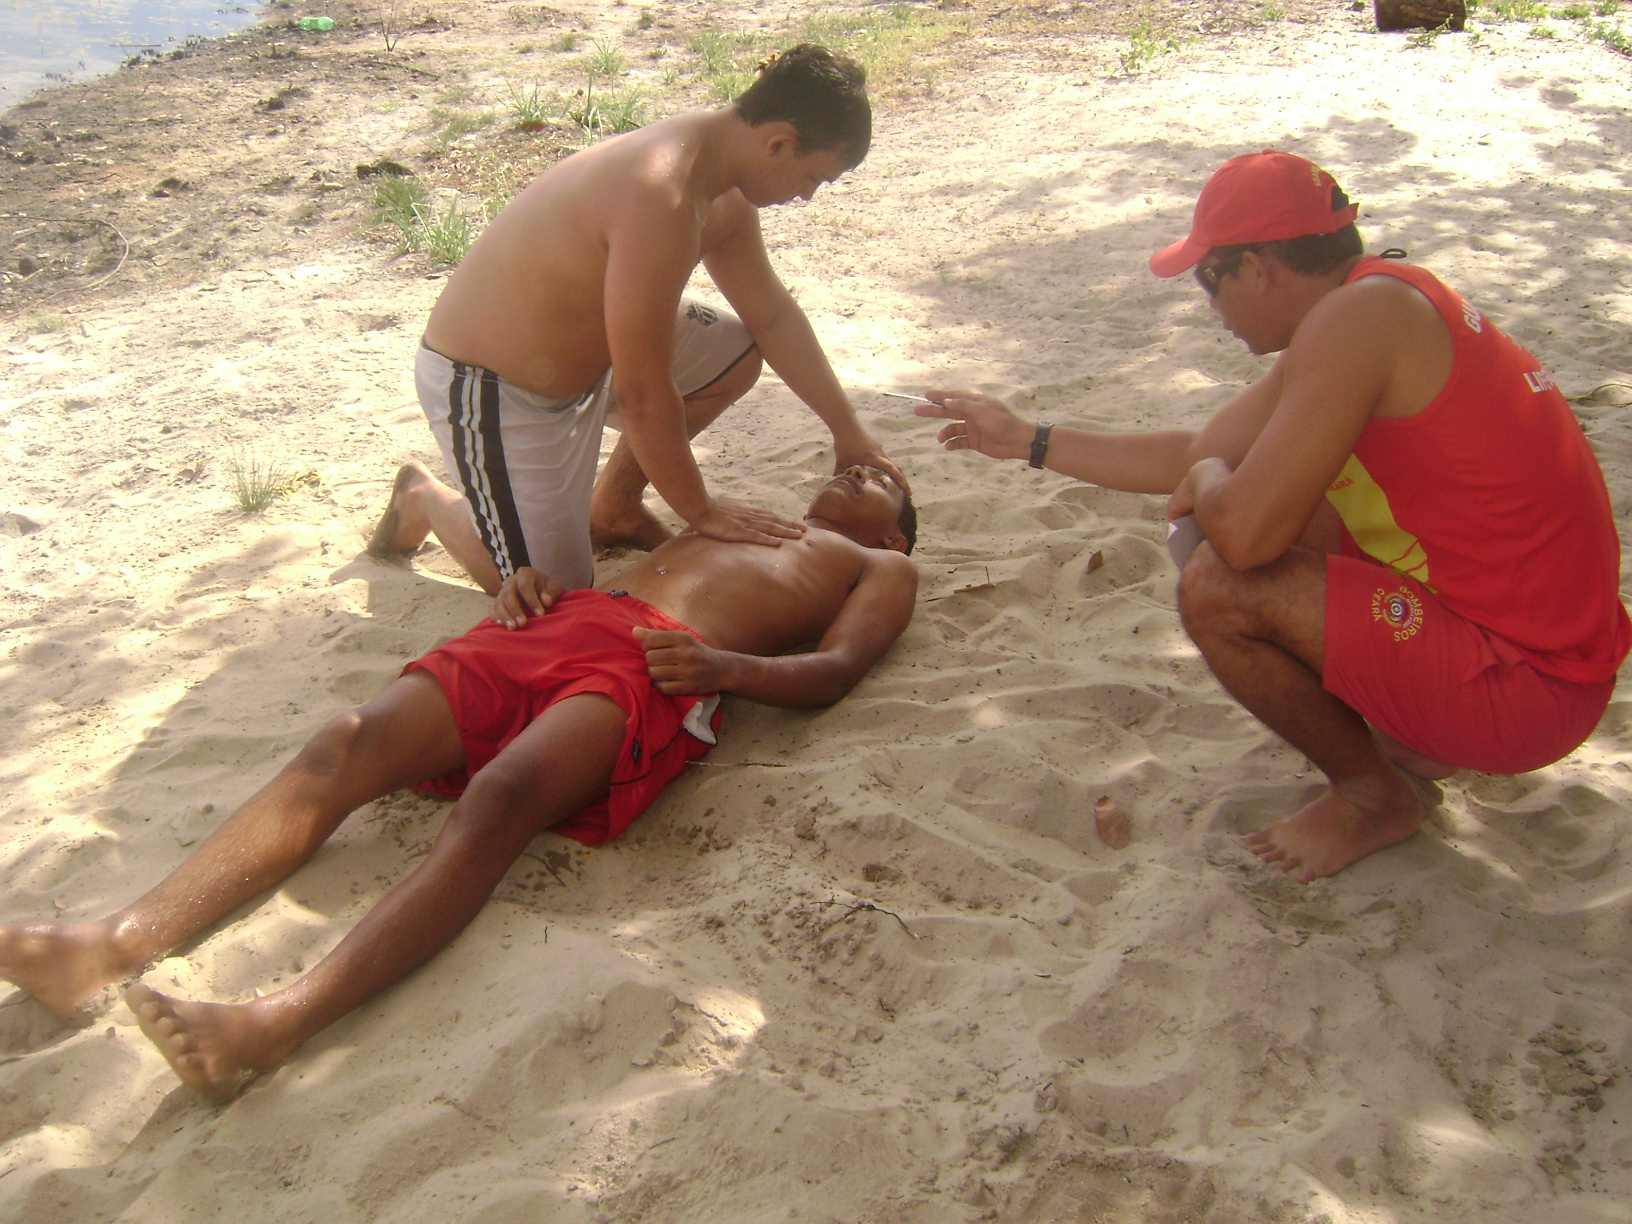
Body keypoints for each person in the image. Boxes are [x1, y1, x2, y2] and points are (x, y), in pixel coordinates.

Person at [0, 466, 917, 1102]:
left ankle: (274, 1023)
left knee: (500, 799)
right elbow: (634, 518)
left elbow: (838, 669)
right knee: (343, 744)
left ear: (894, 529)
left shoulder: (881, 566)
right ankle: (112, 944)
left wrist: (726, 670)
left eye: (881, 477)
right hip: (565, 619)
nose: (856, 468)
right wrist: (530, 580)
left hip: (654, 664)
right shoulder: (739, 513)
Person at [917, 150, 1629, 882]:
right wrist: (1026, 439)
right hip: (1553, 656)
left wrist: (1208, 481)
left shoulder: (1357, 321)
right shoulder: (1378, 300)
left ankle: (1371, 796)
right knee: (1279, 494)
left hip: (1529, 691)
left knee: (1217, 581)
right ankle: (1426, 730)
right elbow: (1199, 448)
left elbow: (1243, 534)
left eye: (1209, 279)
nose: (1209, 304)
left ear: (1256, 269)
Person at [371, 43, 905, 596]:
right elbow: (642, 392)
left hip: (587, 359)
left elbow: (772, 317)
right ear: (780, 144)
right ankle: (426, 499)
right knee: (553, 592)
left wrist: (849, 432)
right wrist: (701, 510)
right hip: (493, 387)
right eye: (815, 177)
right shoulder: (661, 190)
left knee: (735, 354)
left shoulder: (723, 190)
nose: (807, 196)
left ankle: (616, 505)